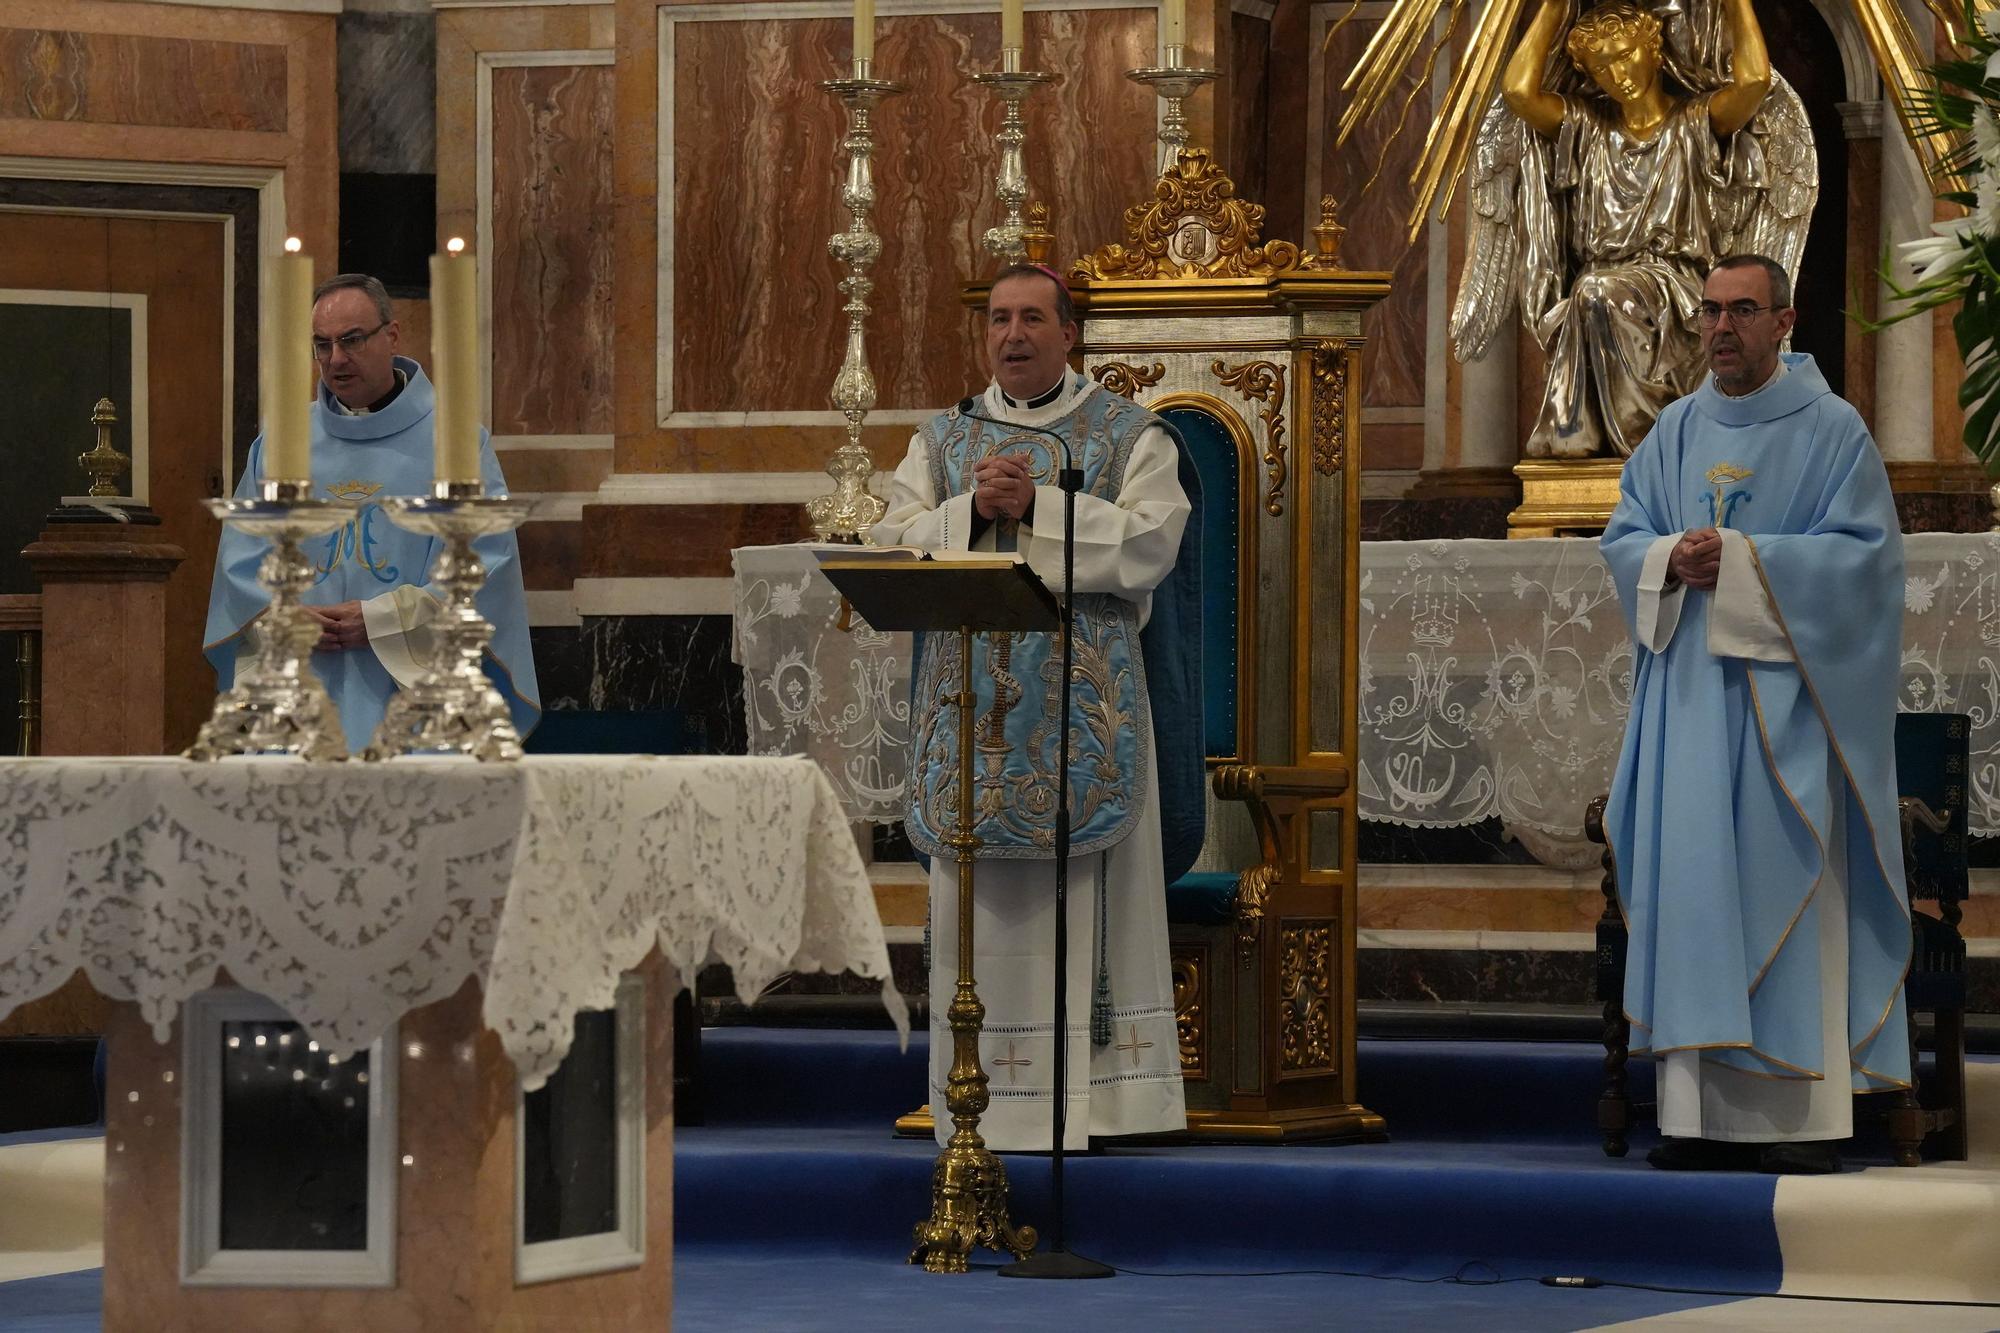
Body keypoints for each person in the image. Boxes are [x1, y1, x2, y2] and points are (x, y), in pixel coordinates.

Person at [871, 262, 1202, 1151]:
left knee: (1088, 894)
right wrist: (968, 513)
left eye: (1031, 319)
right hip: (970, 720)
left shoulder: (1135, 436)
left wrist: (1041, 506)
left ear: (1070, 334)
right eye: (999, 320)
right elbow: (890, 539)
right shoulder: (941, 439)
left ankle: (1105, 1104)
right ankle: (975, 1103)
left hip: (1080, 725)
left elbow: (1150, 544)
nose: (1012, 336)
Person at [1601, 254, 1910, 1174]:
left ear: (1785, 322)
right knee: (1697, 890)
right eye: (1710, 311)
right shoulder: (1674, 431)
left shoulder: (1834, 432)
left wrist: (1737, 559)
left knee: (1788, 879)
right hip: (1692, 710)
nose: (1722, 328)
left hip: (1791, 716)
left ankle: (1798, 1123)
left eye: (1743, 310)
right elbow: (1625, 538)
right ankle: (1696, 1120)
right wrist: (1665, 558)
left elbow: (1864, 566)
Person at [1453, 0, 1811, 459]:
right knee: (1594, 291)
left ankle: (1646, 448)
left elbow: (1755, 82)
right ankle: (1630, 450)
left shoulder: (1695, 124)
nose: (1617, 73)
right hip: (1601, 287)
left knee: (1597, 293)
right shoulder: (1586, 127)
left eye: (1625, 55)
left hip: (1675, 287)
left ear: (1655, 50)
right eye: (1601, 66)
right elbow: (1519, 93)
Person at [203, 272, 539, 753]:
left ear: (392, 335)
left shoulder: (456, 444)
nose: (336, 359)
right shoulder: (280, 446)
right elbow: (240, 561)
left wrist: (383, 620)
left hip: (413, 701)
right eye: (322, 345)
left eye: (352, 340)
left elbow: (484, 566)